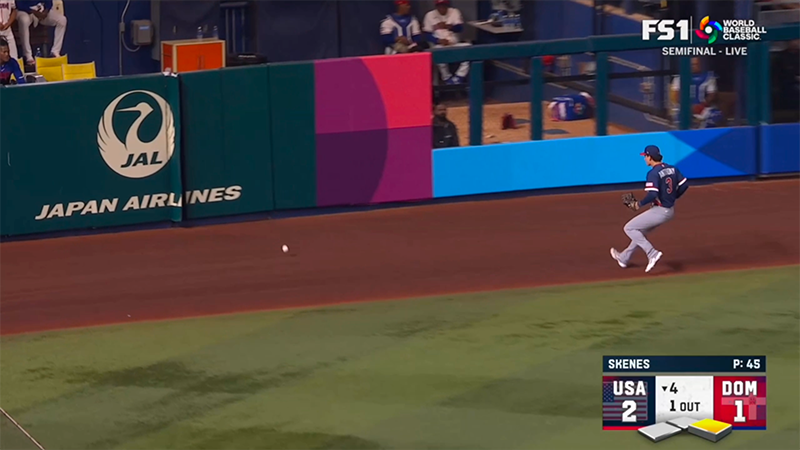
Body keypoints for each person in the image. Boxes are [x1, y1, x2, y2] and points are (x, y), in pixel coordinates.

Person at [611, 145, 688, 273]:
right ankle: (624, 258)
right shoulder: (672, 169)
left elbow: (652, 194)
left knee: (629, 228)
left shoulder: (653, 173)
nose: (644, 159)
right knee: (640, 233)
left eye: (645, 156)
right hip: (669, 210)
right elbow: (684, 185)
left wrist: (639, 204)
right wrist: (674, 197)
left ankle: (652, 253)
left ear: (650, 157)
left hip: (660, 211)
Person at [423, 0, 471, 85]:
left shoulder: (454, 12)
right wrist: (438, 40)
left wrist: (448, 26)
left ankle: (459, 76)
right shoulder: (430, 15)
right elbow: (426, 34)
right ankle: (447, 78)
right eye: (439, 6)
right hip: (439, 45)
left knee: (470, 49)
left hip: (454, 44)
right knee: (438, 54)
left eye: (444, 5)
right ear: (436, 6)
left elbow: (459, 28)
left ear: (447, 5)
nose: (442, 8)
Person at [16, 0, 66, 65]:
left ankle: (55, 51)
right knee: (24, 21)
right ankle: (28, 55)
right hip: (25, 11)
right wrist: (33, 12)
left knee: (62, 20)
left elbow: (49, 2)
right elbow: (19, 4)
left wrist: (46, 11)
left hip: (40, 10)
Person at [669, 57, 717, 126]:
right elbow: (676, 95)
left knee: (716, 116)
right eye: (692, 64)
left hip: (703, 107)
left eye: (696, 64)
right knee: (679, 118)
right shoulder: (679, 78)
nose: (693, 66)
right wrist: (688, 107)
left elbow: (712, 94)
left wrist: (701, 106)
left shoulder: (708, 77)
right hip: (684, 108)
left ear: (700, 65)